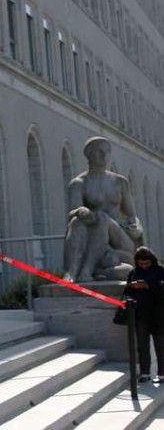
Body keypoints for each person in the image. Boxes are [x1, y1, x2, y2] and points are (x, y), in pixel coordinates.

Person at [64, 136, 143, 282]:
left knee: (102, 218)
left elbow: (132, 216)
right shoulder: (79, 183)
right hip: (96, 239)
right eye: (99, 151)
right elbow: (72, 214)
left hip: (119, 238)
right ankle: (74, 272)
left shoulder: (119, 182)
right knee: (77, 222)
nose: (104, 155)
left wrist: (136, 227)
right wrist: (80, 211)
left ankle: (87, 270)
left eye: (107, 151)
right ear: (89, 155)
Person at [123, 247, 164, 383]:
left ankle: (162, 373)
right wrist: (132, 286)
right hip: (140, 314)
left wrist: (149, 286)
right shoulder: (134, 273)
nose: (144, 266)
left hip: (159, 313)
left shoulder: (160, 271)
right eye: (141, 264)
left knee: (160, 345)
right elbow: (127, 292)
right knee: (142, 344)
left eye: (147, 263)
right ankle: (145, 372)